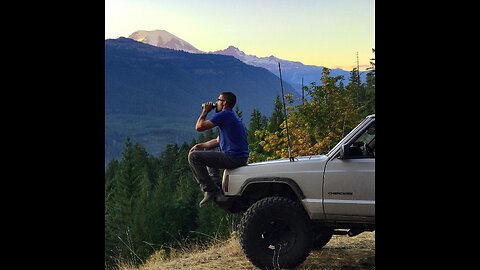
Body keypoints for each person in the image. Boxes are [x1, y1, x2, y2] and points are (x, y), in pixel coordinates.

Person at [188, 91, 249, 207]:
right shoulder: (230, 115)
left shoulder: (224, 114)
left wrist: (205, 111)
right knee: (209, 150)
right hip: (239, 157)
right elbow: (217, 141)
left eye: (218, 100)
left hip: (233, 158)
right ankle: (215, 183)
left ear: (224, 103)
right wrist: (201, 145)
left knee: (193, 157)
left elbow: (199, 127)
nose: (216, 103)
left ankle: (210, 190)